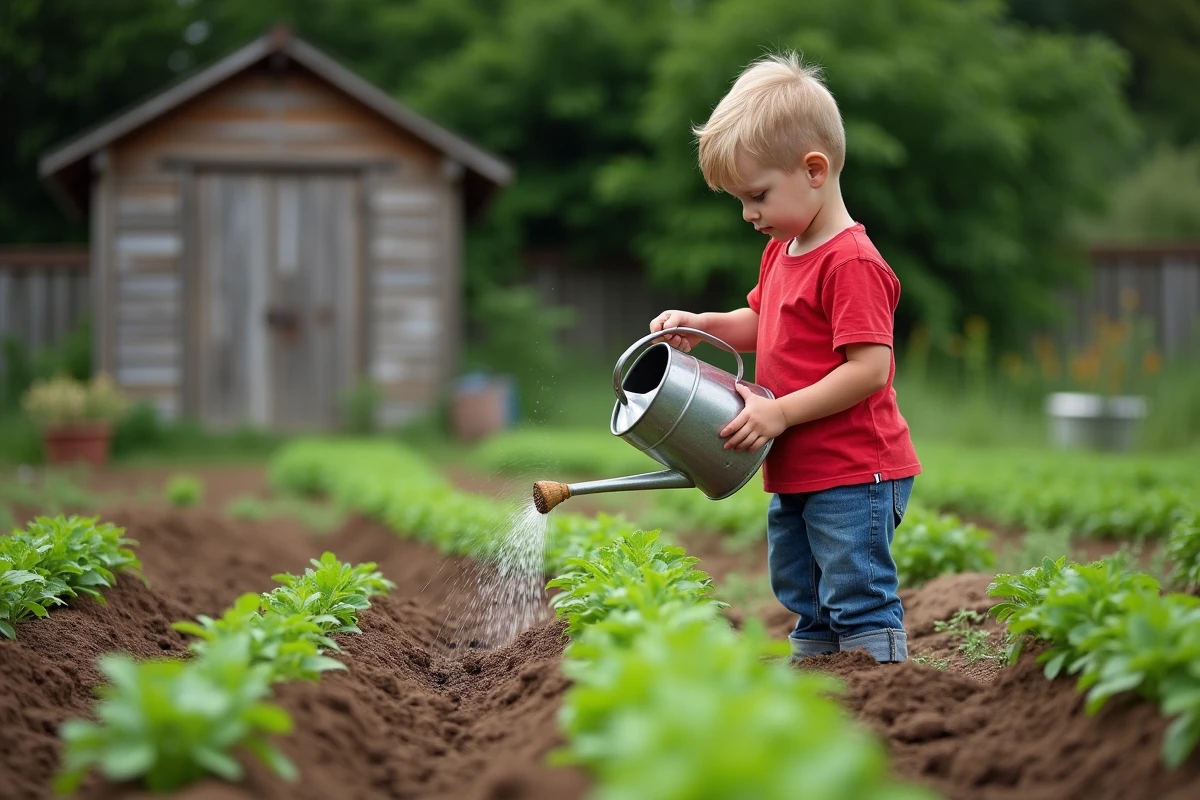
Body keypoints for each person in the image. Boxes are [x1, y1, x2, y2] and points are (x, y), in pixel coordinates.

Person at [650, 52, 921, 663]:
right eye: (741, 201)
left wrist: (780, 414)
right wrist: (704, 326)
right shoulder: (786, 248)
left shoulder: (850, 262)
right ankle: (818, 677)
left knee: (855, 591)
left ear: (815, 170)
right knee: (803, 587)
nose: (749, 214)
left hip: (854, 468)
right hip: (799, 463)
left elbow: (869, 369)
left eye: (757, 196)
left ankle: (878, 692)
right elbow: (763, 322)